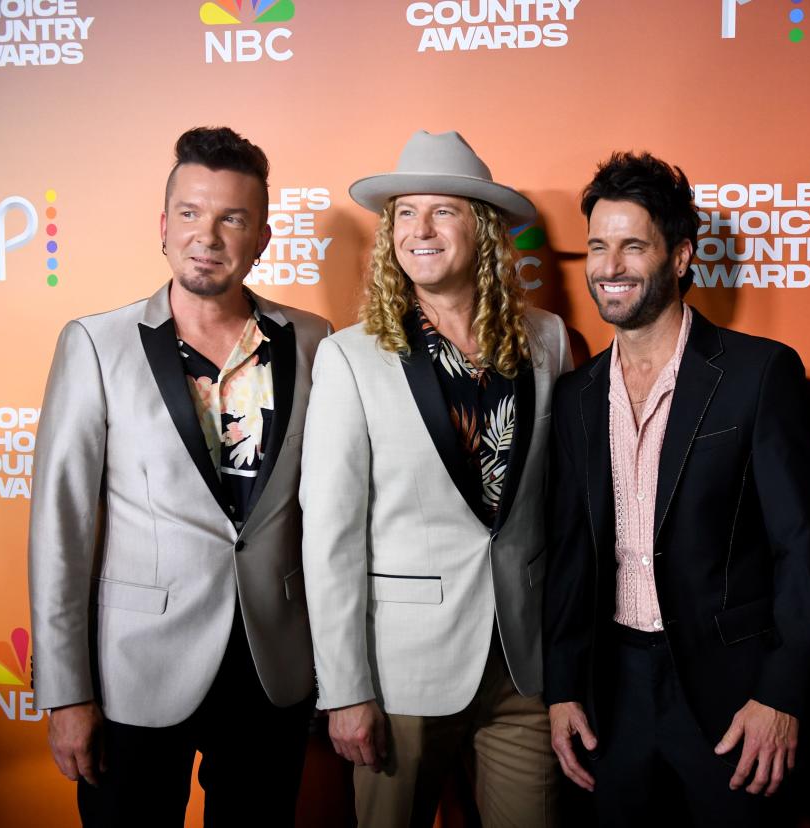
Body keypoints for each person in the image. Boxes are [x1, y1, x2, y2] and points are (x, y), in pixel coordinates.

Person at [27, 126, 331, 827]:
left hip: (271, 667)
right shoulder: (96, 346)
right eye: (191, 214)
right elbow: (60, 530)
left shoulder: (315, 342)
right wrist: (66, 692)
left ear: (261, 235)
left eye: (232, 218)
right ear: (164, 227)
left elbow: (330, 515)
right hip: (134, 671)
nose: (208, 235)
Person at [543, 151, 810, 826]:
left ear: (679, 257)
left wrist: (782, 694)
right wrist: (562, 688)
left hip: (733, 697)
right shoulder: (576, 395)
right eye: (597, 247)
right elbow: (567, 557)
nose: (609, 267)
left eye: (633, 245)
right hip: (610, 693)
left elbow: (800, 547)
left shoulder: (757, 374)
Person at [300, 130, 571, 828]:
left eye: (442, 211)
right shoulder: (350, 358)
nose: (420, 230)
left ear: (480, 228)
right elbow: (329, 539)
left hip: (522, 669)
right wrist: (345, 691)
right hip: (402, 678)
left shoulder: (548, 340)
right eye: (405, 214)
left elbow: (564, 508)